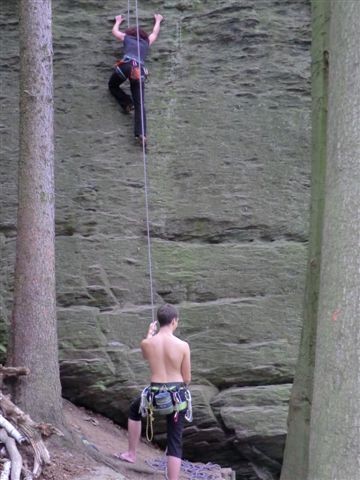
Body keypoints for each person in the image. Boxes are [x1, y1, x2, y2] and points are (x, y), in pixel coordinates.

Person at [116, 304, 191, 480]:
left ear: (159, 321)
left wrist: (150, 333)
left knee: (135, 409)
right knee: (175, 439)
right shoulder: (183, 346)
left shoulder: (147, 344)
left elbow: (145, 354)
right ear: (174, 321)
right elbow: (187, 378)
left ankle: (131, 454)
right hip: (176, 396)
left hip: (154, 395)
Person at [108, 13, 164, 147]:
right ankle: (142, 134)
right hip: (140, 70)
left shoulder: (126, 37)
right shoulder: (146, 42)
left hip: (127, 66)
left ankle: (127, 103)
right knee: (140, 104)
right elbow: (154, 33)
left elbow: (115, 32)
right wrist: (158, 20)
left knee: (112, 85)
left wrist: (117, 21)